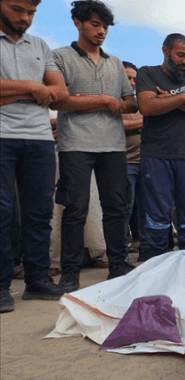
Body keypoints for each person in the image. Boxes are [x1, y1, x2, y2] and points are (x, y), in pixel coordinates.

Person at [51, 0, 137, 291]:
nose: (101, 32)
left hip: (113, 145)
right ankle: (70, 272)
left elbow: (129, 102)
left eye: (105, 26)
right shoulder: (59, 57)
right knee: (75, 209)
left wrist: (117, 104)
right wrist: (101, 100)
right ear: (78, 22)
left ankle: (119, 264)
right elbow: (59, 100)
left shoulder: (115, 63)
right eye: (95, 24)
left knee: (116, 207)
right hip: (75, 143)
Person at [1, 0, 69, 312]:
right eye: (18, 10)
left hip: (40, 138)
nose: (25, 18)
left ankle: (37, 280)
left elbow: (60, 93)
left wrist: (11, 92)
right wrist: (31, 87)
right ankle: (2, 285)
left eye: (31, 13)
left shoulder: (41, 45)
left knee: (39, 212)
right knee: (1, 213)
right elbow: (44, 91)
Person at [136, 33, 185, 259]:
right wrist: (184, 100)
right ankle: (160, 265)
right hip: (157, 156)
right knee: (158, 218)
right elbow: (147, 106)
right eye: (181, 55)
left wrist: (169, 100)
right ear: (165, 50)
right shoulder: (148, 73)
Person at [121, 61, 145, 260]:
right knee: (124, 207)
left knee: (143, 207)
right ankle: (121, 250)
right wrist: (144, 121)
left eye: (135, 79)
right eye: (127, 78)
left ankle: (141, 243)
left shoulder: (141, 102)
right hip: (124, 162)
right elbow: (116, 125)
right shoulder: (115, 102)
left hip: (144, 162)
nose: (131, 83)